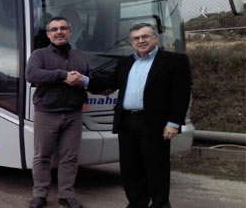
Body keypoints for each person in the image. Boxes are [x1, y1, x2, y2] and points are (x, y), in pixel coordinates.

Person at [71, 23, 191, 208]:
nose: (141, 41)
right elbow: (107, 84)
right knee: (130, 168)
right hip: (127, 121)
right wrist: (83, 80)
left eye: (145, 36)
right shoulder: (125, 63)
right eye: (136, 38)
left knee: (156, 167)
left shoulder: (175, 60)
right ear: (131, 42)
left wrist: (174, 122)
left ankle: (160, 204)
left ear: (155, 38)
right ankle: (137, 203)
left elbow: (181, 94)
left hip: (155, 123)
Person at [25, 16, 89, 208]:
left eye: (63, 28)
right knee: (42, 156)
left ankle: (66, 195)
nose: (59, 32)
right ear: (48, 34)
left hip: (74, 113)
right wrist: (62, 75)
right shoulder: (39, 55)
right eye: (54, 29)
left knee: (70, 158)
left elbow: (89, 76)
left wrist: (83, 79)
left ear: (70, 31)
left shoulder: (80, 56)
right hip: (47, 112)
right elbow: (32, 74)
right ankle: (40, 194)